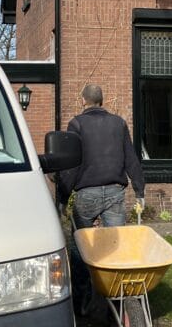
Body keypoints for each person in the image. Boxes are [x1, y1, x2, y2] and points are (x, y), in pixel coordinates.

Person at [59, 84, 144, 228]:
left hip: (87, 193)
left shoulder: (76, 124)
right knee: (116, 242)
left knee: (81, 243)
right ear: (101, 100)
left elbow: (71, 166)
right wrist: (139, 191)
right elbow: (131, 160)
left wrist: (63, 197)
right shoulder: (119, 123)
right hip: (115, 192)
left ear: (83, 100)